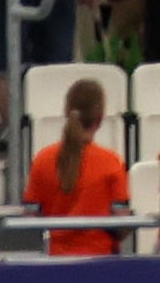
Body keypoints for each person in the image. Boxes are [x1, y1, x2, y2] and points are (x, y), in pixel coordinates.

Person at [27, 72, 125, 258]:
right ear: (100, 116)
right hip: (101, 262)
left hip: (55, 262)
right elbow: (121, 220)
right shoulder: (112, 162)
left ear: (66, 111)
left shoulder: (42, 159)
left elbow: (30, 214)